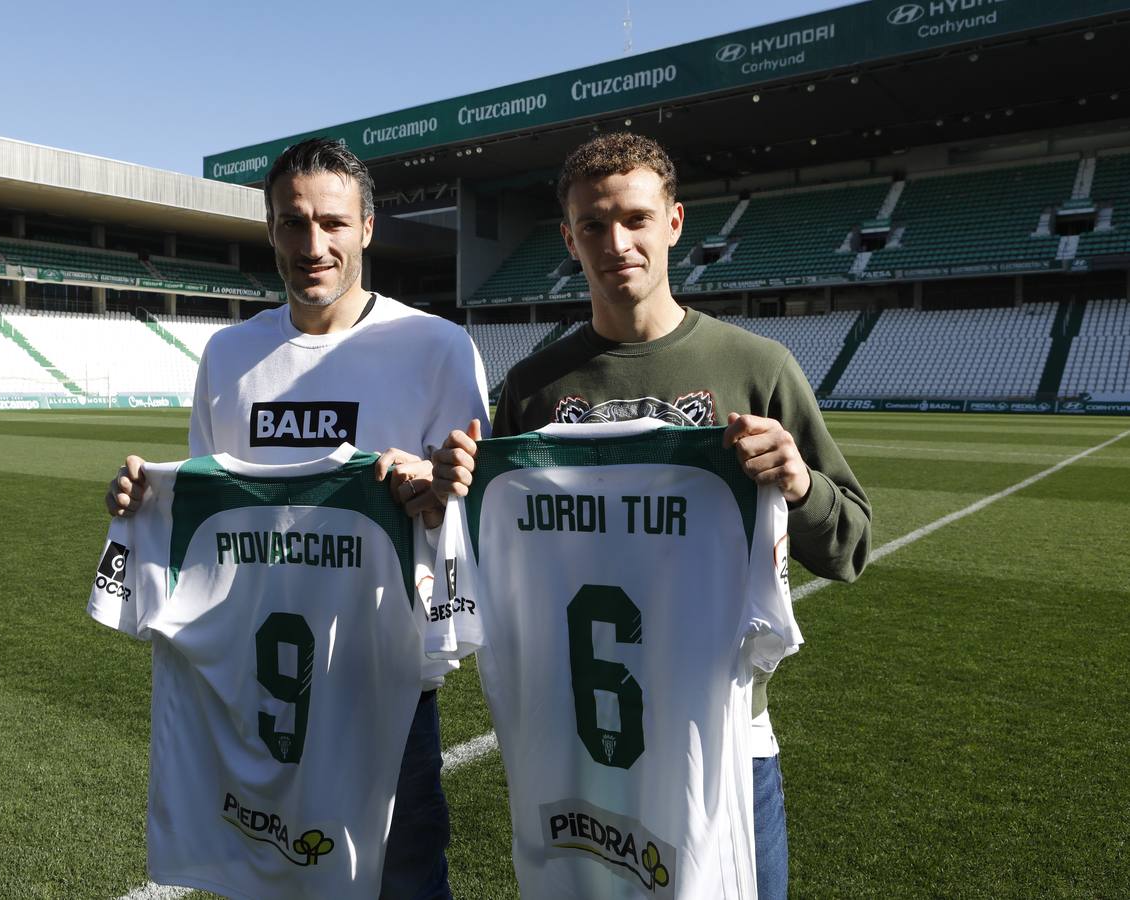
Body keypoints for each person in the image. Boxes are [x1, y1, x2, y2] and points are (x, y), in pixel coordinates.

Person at [430, 131, 871, 900]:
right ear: (568, 237)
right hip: (576, 739)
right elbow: (484, 553)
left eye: (635, 218)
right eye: (593, 226)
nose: (617, 242)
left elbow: (851, 547)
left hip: (724, 741)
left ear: (673, 222)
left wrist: (801, 486)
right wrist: (450, 491)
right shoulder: (533, 387)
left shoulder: (757, 367)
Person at [105, 137, 489, 900]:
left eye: (333, 223)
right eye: (292, 223)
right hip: (254, 686)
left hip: (385, 684)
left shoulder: (436, 347)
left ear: (368, 228)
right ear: (271, 230)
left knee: (404, 882)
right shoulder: (228, 356)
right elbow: (209, 518)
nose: (313, 245)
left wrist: (438, 487)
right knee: (270, 878)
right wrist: (141, 503)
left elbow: (479, 522)